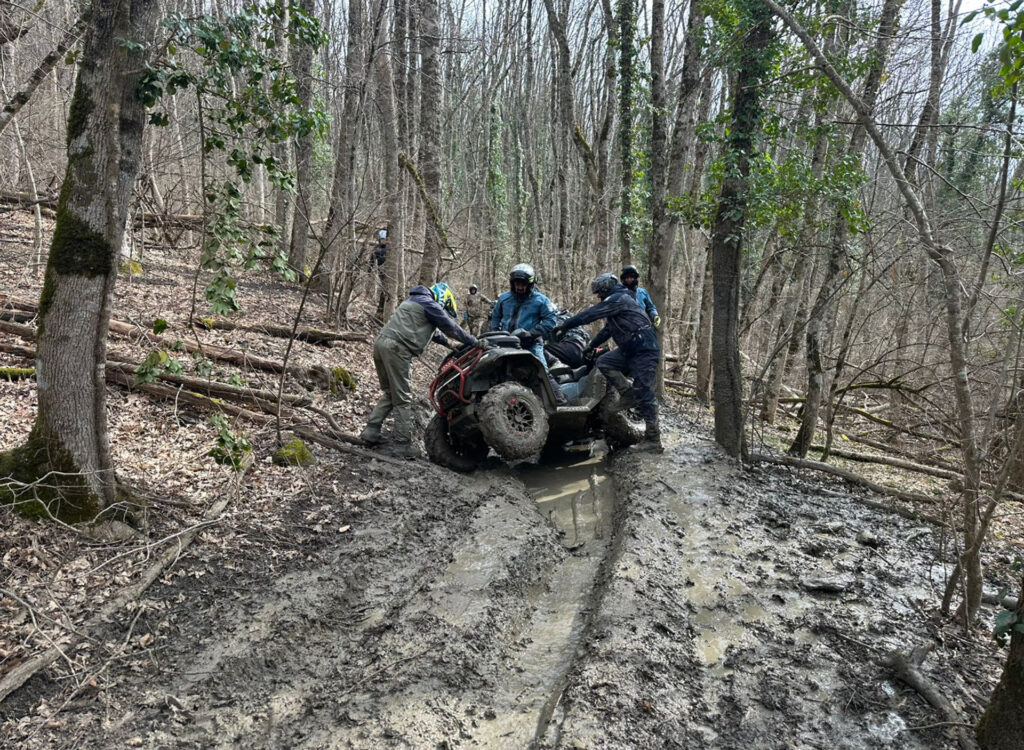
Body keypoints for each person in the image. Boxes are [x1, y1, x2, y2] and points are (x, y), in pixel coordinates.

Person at [360, 282, 480, 458]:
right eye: (444, 307)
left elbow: (435, 332)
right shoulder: (430, 303)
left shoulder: (414, 300)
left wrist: (449, 345)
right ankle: (403, 443)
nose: (443, 310)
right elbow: (450, 327)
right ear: (442, 298)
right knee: (403, 397)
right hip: (397, 349)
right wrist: (473, 341)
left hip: (381, 344)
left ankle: (371, 432)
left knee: (390, 393)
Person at [552, 272, 663, 452]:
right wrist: (590, 346)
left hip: (644, 349)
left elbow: (591, 314)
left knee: (645, 391)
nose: (598, 296)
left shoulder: (619, 298)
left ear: (605, 288)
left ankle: (653, 439)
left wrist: (566, 325)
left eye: (599, 292)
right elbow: (607, 331)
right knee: (604, 362)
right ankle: (627, 393)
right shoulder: (617, 304)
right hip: (630, 349)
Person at [490, 263, 567, 405]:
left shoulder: (541, 300)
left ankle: (559, 401)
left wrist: (531, 333)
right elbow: (495, 317)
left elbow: (551, 321)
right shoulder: (504, 299)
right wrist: (495, 332)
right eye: (516, 284)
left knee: (543, 370)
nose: (519, 287)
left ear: (531, 284)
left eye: (523, 284)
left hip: (531, 343)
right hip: (505, 343)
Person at [619, 264, 661, 328]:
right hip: (626, 329)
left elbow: (650, 307)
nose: (629, 279)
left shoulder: (642, 292)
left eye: (631, 277)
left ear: (635, 278)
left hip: (643, 327)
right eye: (627, 278)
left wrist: (655, 316)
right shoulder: (619, 294)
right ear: (623, 279)